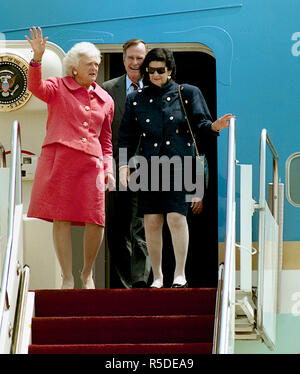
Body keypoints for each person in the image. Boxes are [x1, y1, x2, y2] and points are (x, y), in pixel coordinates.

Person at [118, 48, 232, 288]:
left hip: (180, 164)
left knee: (176, 217)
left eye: (161, 70)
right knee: (151, 221)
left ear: (170, 70)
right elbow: (126, 136)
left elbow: (201, 125)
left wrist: (214, 126)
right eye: (151, 71)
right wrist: (124, 163)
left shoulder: (188, 93)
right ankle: (157, 276)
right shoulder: (136, 99)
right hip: (148, 166)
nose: (156, 74)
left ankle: (180, 273)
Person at [25, 27, 115, 289]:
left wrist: (108, 167)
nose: (95, 68)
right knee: (61, 217)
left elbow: (106, 139)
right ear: (74, 67)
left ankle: (86, 273)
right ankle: (66, 276)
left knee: (96, 218)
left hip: (92, 165)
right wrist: (37, 59)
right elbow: (35, 87)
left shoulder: (106, 99)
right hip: (61, 160)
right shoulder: (58, 86)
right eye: (90, 64)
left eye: (97, 64)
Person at [102, 39, 151, 288]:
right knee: (117, 228)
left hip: (148, 167)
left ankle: (141, 282)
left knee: (142, 226)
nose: (135, 63)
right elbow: (102, 131)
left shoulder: (157, 87)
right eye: (130, 58)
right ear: (123, 60)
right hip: (115, 166)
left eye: (139, 58)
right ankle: (123, 286)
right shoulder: (107, 88)